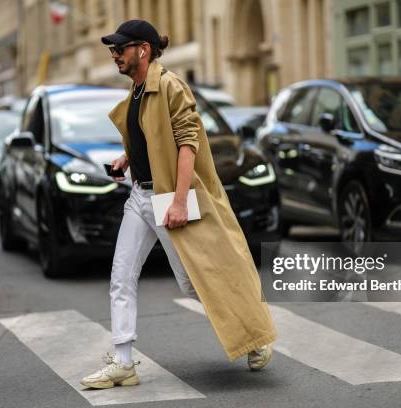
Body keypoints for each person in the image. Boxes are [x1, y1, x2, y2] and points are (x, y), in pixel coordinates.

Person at [80, 19, 277, 390]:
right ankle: (123, 362)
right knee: (121, 277)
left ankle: (256, 335)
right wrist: (126, 160)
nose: (114, 56)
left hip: (168, 197)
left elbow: (188, 143)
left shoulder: (170, 85)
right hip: (140, 196)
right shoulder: (136, 91)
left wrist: (182, 201)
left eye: (120, 49)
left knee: (194, 282)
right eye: (112, 50)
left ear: (143, 49)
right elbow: (148, 137)